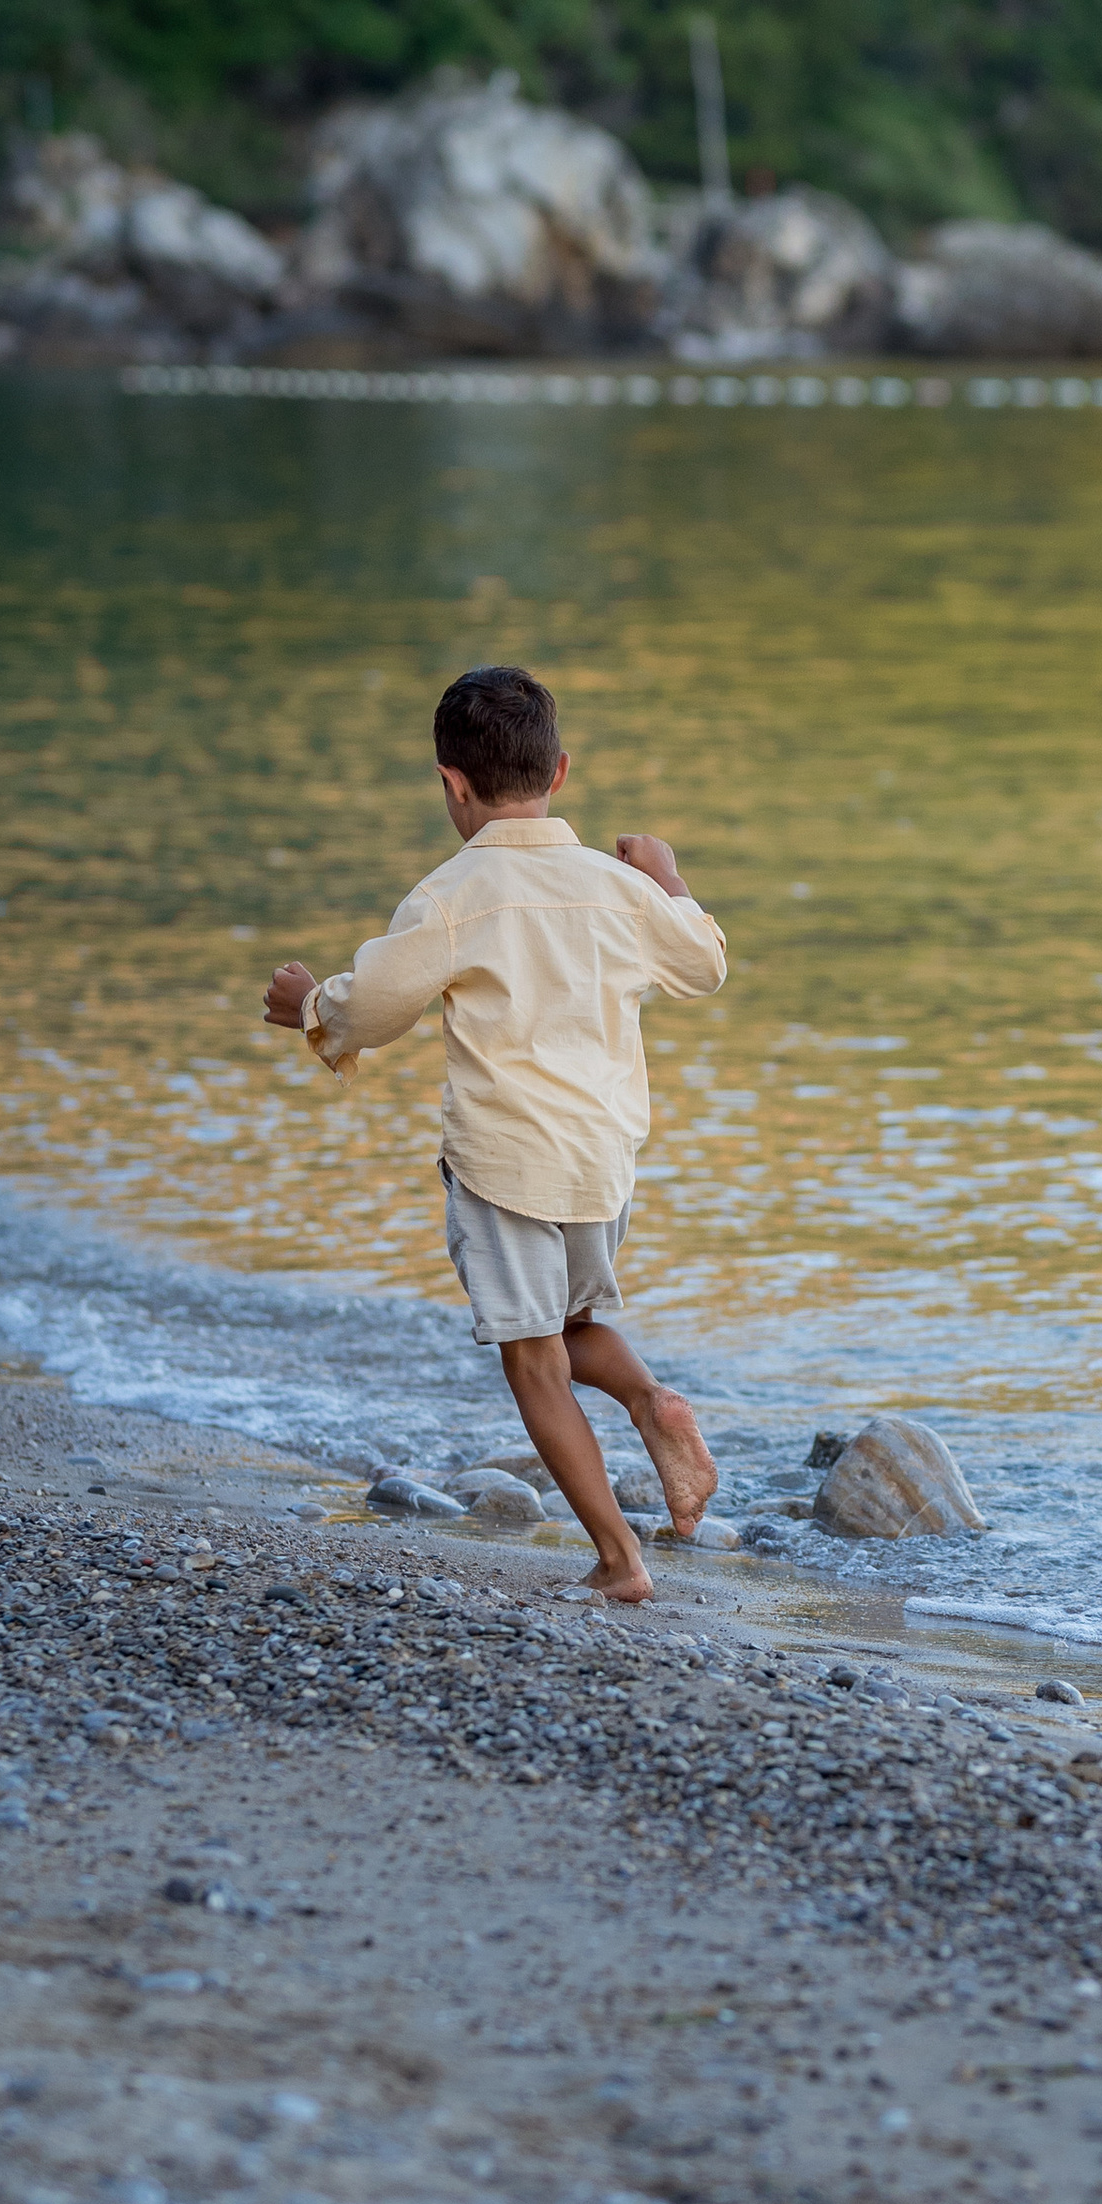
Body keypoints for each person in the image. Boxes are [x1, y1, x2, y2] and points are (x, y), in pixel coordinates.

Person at [263, 664, 727, 1607]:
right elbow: (705, 964)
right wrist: (669, 878)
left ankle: (618, 1561)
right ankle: (649, 1399)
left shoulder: (450, 896)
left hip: (507, 1162)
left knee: (533, 1359)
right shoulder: (616, 887)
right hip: (603, 1159)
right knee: (569, 1325)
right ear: (559, 773)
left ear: (451, 783)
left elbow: (380, 1004)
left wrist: (306, 1004)